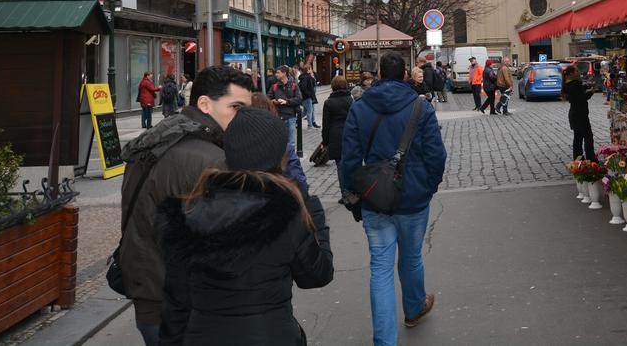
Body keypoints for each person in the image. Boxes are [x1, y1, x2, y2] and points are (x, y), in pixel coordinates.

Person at [156, 108, 334, 345]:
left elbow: (176, 301)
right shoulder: (286, 211)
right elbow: (317, 274)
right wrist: (314, 215)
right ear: (276, 154)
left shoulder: (189, 212)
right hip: (272, 336)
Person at [119, 65, 254, 345]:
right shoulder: (211, 161)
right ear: (204, 104)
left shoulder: (156, 141)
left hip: (149, 292)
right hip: (185, 305)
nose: (244, 119)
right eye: (236, 107)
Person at [340, 53, 447, 345]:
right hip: (413, 197)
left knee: (380, 268)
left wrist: (352, 197)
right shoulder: (419, 106)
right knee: (411, 257)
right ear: (404, 76)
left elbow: (348, 159)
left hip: (376, 198)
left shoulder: (360, 108)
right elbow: (436, 155)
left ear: (377, 74)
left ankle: (385, 341)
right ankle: (414, 308)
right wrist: (429, 186)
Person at [320, 75, 353, 199]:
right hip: (351, 133)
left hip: (335, 135)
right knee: (353, 163)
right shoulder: (351, 99)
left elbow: (326, 124)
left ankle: (344, 194)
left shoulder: (329, 102)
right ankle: (353, 191)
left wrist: (325, 141)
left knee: (340, 165)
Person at [561, 65, 596, 162]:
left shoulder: (569, 84)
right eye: (577, 71)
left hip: (574, 114)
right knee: (588, 137)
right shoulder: (575, 84)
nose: (579, 72)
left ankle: (578, 158)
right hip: (580, 115)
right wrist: (591, 92)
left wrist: (585, 87)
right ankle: (591, 158)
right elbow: (581, 98)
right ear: (572, 73)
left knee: (578, 137)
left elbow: (577, 93)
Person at [268, 66, 303, 152]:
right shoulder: (274, 86)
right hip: (277, 116)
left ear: (284, 73)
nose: (276, 74)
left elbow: (299, 99)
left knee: (290, 142)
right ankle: (281, 160)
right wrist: (274, 101)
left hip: (290, 117)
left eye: (278, 72)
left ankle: (290, 161)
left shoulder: (293, 85)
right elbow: (267, 98)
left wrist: (286, 102)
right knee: (278, 141)